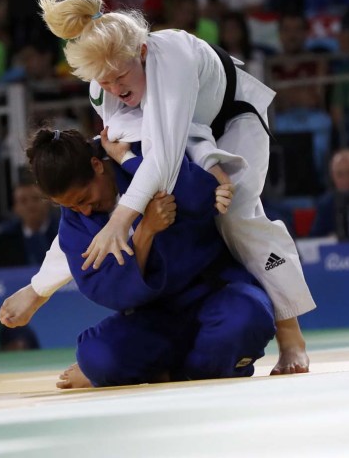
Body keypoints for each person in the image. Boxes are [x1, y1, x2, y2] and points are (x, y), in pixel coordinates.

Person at [1, 0, 316, 376]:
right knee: (116, 204)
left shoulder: (172, 58)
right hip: (189, 137)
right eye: (104, 81)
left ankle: (290, 332)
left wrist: (122, 220)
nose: (115, 89)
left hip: (232, 121)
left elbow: (164, 158)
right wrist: (38, 290)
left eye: (120, 77)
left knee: (236, 216)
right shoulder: (105, 89)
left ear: (142, 53)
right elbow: (124, 159)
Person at [19, 128, 275, 388]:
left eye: (84, 199)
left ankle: (166, 375)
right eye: (71, 207)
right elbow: (109, 291)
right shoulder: (75, 224)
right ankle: (199, 370)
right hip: (155, 319)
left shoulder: (145, 158)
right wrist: (145, 232)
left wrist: (129, 161)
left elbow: (203, 195)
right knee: (97, 357)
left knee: (247, 315)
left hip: (214, 293)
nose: (83, 210)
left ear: (97, 165)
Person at [309, 148, 349, 238]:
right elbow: (315, 240)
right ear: (333, 179)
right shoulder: (326, 205)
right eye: (340, 175)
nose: (347, 180)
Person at [0, 181, 59, 265]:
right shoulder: (5, 235)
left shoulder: (63, 230)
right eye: (23, 201)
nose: (30, 205)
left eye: (36, 199)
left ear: (49, 201)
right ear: (15, 208)